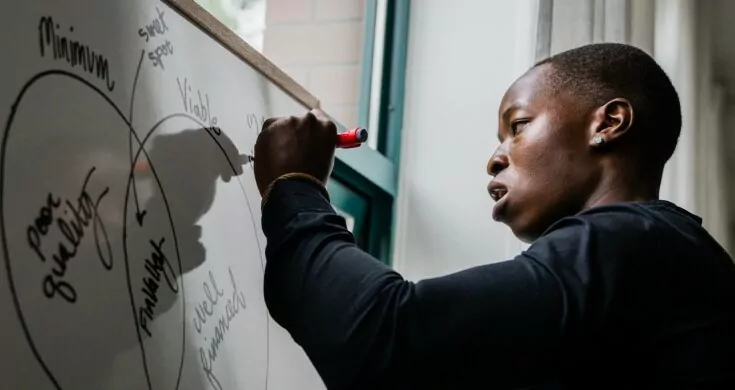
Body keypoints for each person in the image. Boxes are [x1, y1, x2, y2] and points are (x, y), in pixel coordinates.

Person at [253, 43, 735, 389]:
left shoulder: (631, 242)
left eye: (518, 126)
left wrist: (296, 186)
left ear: (607, 123)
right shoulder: (663, 254)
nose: (495, 159)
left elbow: (383, 340)